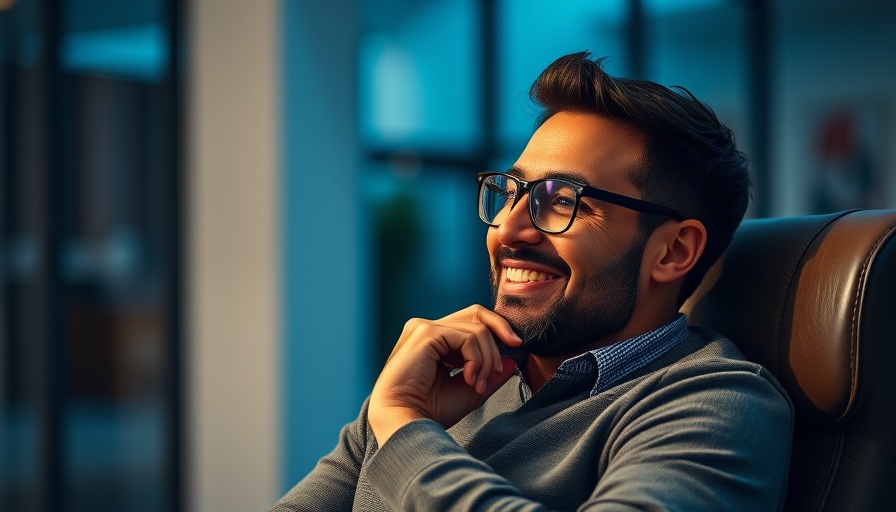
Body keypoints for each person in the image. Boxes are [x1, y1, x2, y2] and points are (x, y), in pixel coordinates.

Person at [270, 51, 793, 511]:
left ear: (673, 251)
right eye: (512, 192)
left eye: (561, 200)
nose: (508, 228)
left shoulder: (718, 405)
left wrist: (405, 429)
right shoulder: (438, 379)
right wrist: (404, 415)